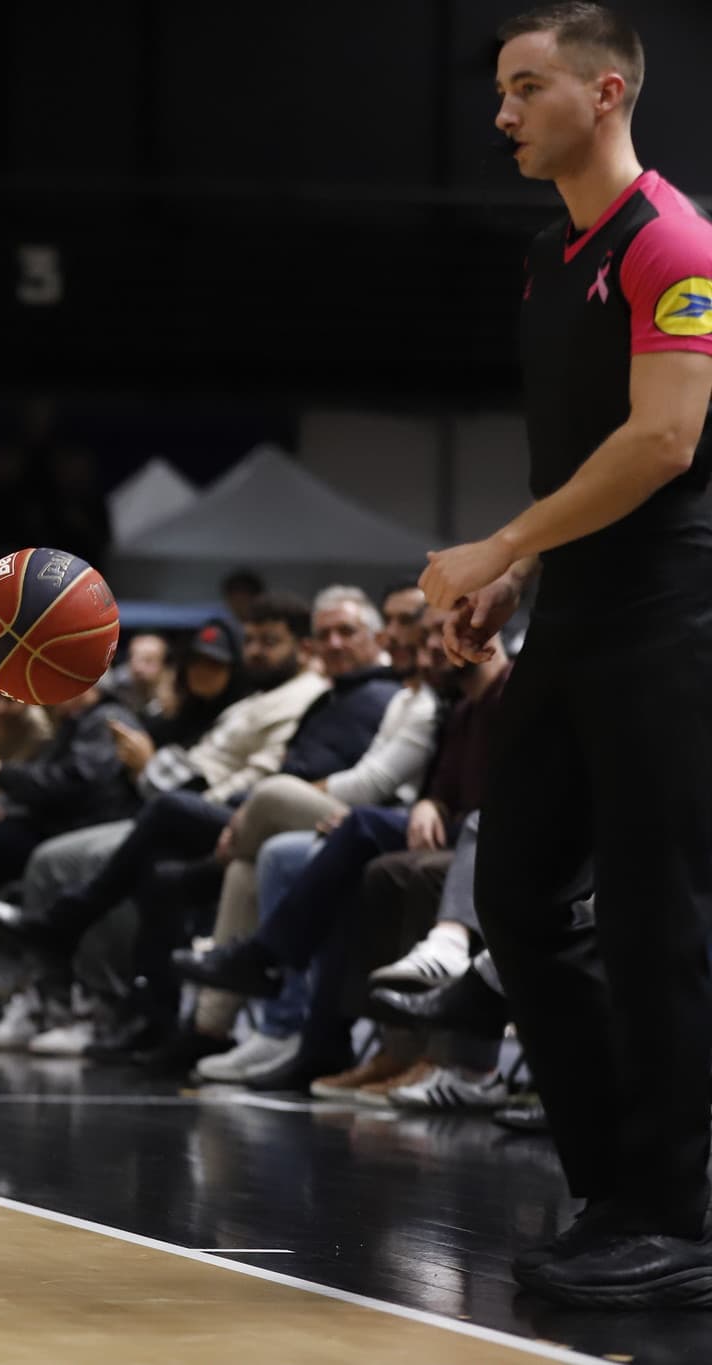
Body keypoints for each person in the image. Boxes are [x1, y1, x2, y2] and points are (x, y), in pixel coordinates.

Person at [418, 3, 712, 1309]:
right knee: (521, 899)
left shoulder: (678, 244)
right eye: (499, 91)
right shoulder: (550, 256)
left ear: (605, 93)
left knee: (660, 924)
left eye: (524, 88)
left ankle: (676, 1213)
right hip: (575, 612)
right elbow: (581, 456)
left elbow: (662, 443)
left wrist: (497, 542)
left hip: (672, 617)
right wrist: (523, 571)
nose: (501, 115)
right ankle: (616, 1193)